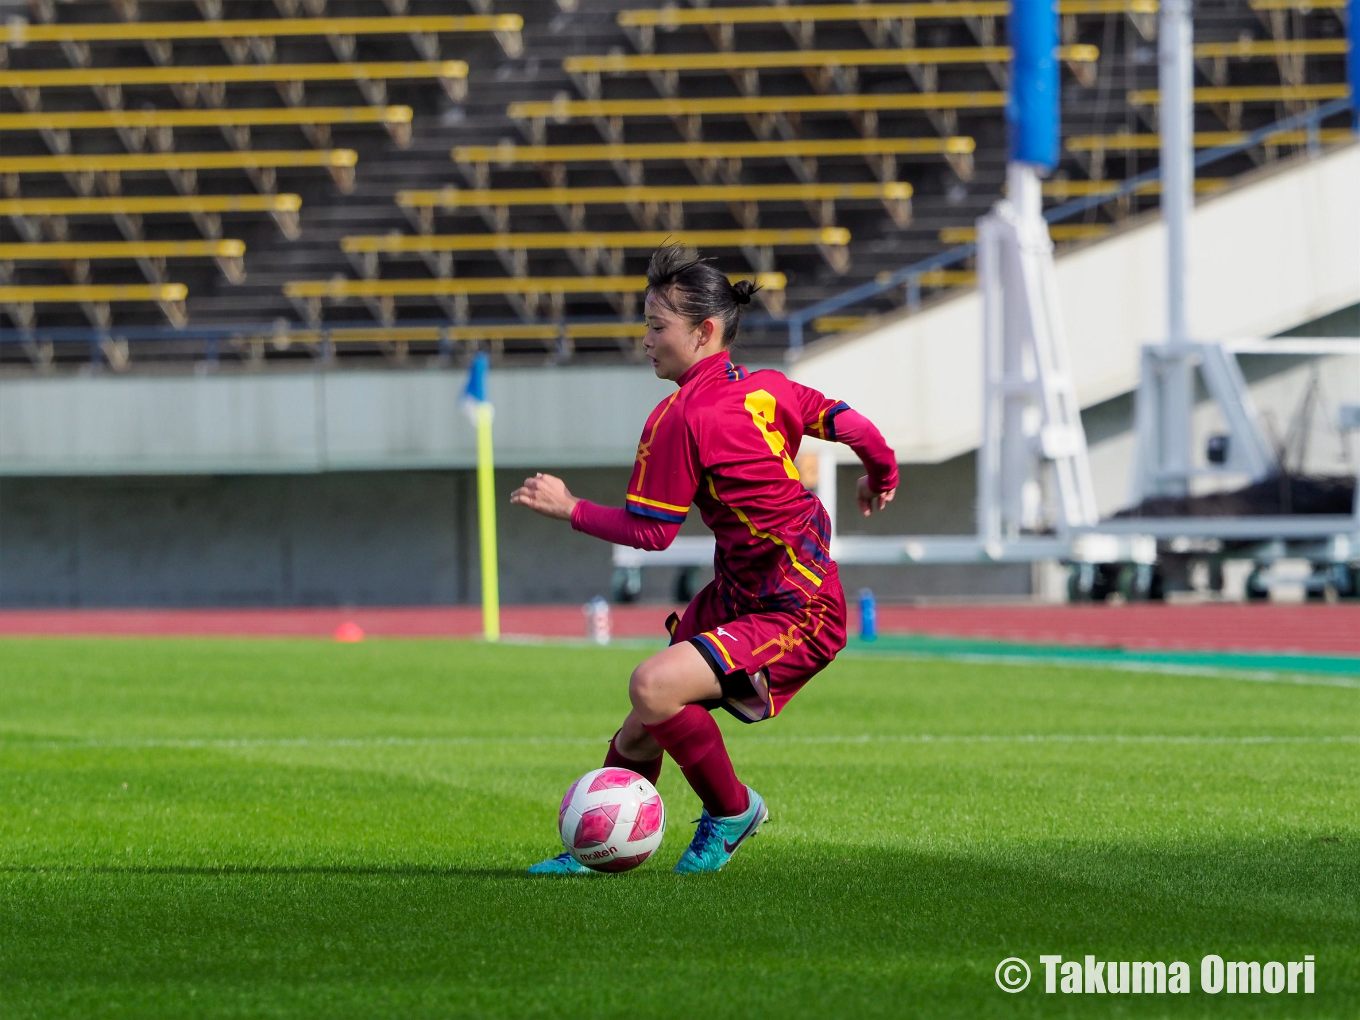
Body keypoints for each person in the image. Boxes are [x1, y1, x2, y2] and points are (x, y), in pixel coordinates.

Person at [511, 245, 898, 875]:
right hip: (743, 592)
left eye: (656, 327)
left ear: (703, 331)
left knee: (651, 686)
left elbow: (652, 532)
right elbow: (854, 426)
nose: (646, 340)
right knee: (643, 722)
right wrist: (881, 477)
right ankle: (593, 850)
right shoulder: (768, 388)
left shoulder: (680, 417)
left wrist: (570, 507)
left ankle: (733, 811)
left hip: (793, 609)